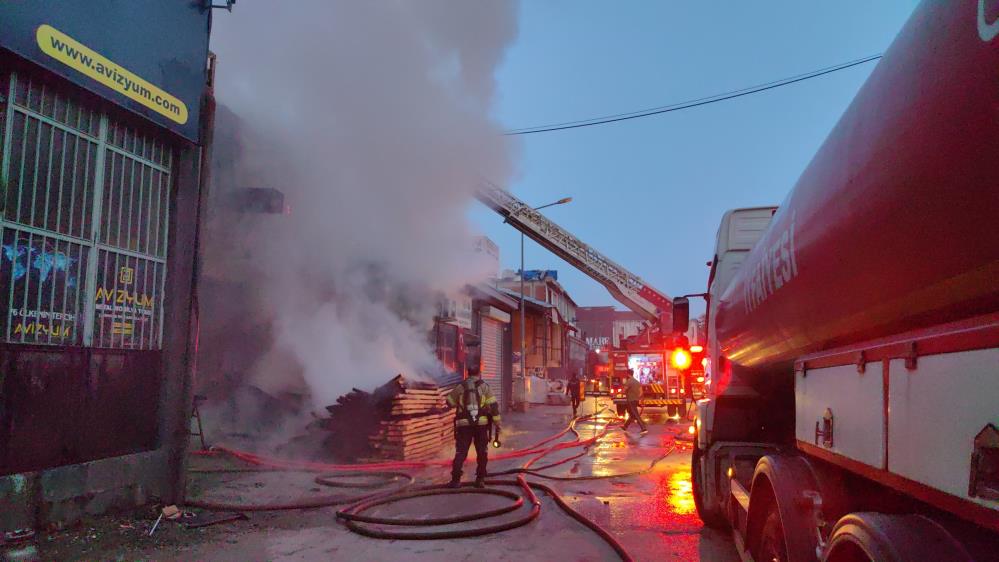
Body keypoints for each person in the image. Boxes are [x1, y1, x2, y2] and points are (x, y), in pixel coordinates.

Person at [446, 364, 500, 488]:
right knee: (482, 452)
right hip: (481, 425)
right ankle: (480, 479)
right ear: (478, 374)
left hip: (464, 426)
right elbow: (493, 406)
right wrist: (497, 423)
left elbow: (449, 402)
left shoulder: (460, 386)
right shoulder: (484, 387)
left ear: (467, 373)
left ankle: (455, 480)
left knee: (461, 452)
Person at [621, 369, 648, 434]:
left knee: (636, 414)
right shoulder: (637, 382)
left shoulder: (629, 381)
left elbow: (624, 391)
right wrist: (638, 397)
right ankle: (625, 426)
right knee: (632, 414)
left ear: (628, 374)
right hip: (636, 400)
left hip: (631, 400)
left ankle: (644, 428)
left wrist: (622, 391)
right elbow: (641, 392)